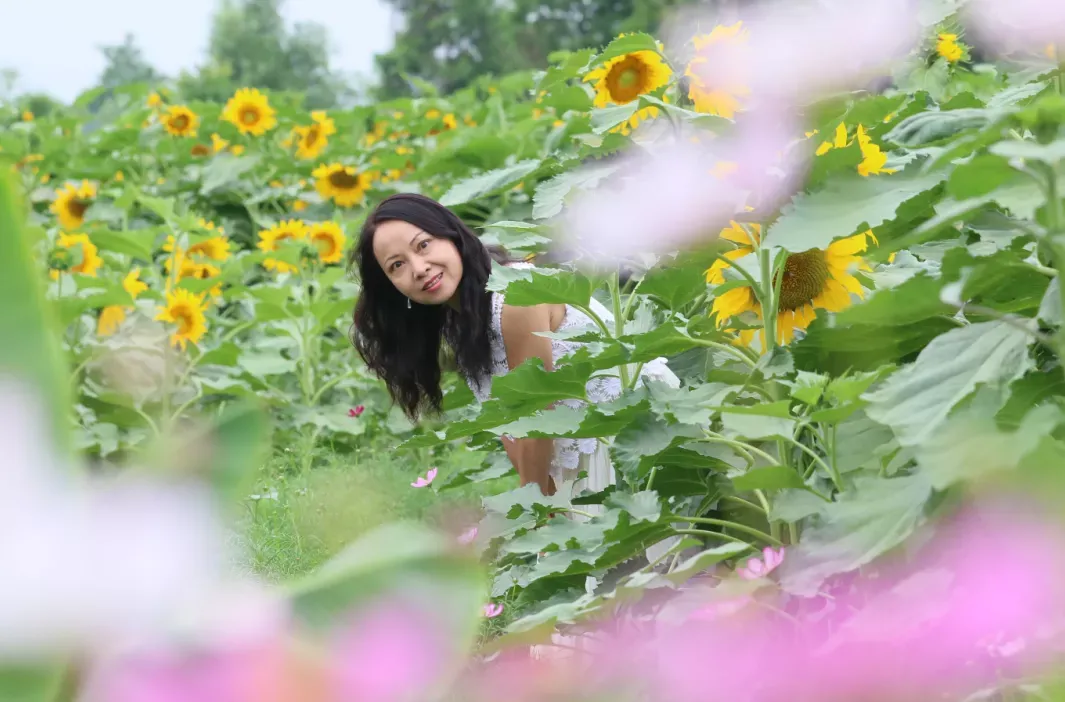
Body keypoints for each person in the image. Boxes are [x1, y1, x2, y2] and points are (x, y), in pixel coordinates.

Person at [349, 192, 678, 508]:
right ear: (391, 288)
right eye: (397, 265)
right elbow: (514, 429)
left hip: (644, 441)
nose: (418, 268)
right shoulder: (461, 321)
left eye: (423, 245)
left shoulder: (515, 295)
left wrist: (533, 514)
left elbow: (537, 418)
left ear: (453, 237)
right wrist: (546, 511)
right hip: (589, 461)